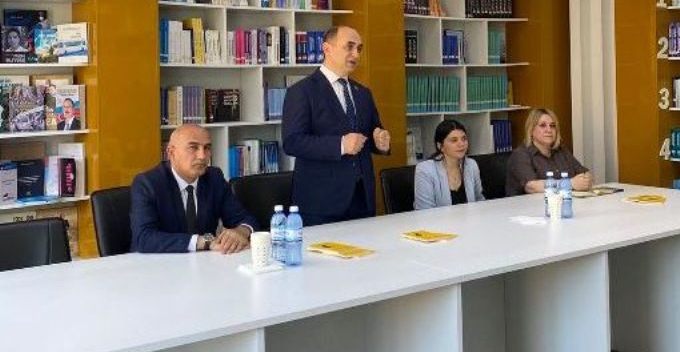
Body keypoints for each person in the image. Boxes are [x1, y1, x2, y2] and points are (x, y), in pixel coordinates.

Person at [282, 25, 391, 226]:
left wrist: (380, 142)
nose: (356, 54)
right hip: (321, 203)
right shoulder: (302, 91)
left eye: (359, 48)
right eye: (349, 47)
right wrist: (340, 145)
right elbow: (292, 142)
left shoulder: (363, 93)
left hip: (362, 199)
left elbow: (373, 132)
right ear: (327, 49)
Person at [130, 124, 258, 254]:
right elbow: (144, 238)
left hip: (205, 262)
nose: (202, 156)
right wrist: (204, 242)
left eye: (207, 148)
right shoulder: (148, 183)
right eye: (193, 147)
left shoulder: (214, 178)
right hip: (158, 263)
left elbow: (245, 219)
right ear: (171, 153)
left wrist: (241, 231)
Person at [506, 107, 592, 196]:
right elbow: (531, 186)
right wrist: (570, 184)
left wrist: (586, 179)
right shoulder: (520, 154)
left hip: (560, 201)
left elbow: (584, 172)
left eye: (552, 126)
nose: (549, 130)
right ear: (531, 130)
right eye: (543, 125)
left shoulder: (561, 150)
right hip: (528, 204)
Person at [414, 119, 484, 210]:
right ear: (440, 146)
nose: (461, 144)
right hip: (438, 219)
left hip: (470, 219)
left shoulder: (471, 165)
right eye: (454, 140)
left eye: (464, 139)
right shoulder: (425, 170)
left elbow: (479, 200)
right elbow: (425, 211)